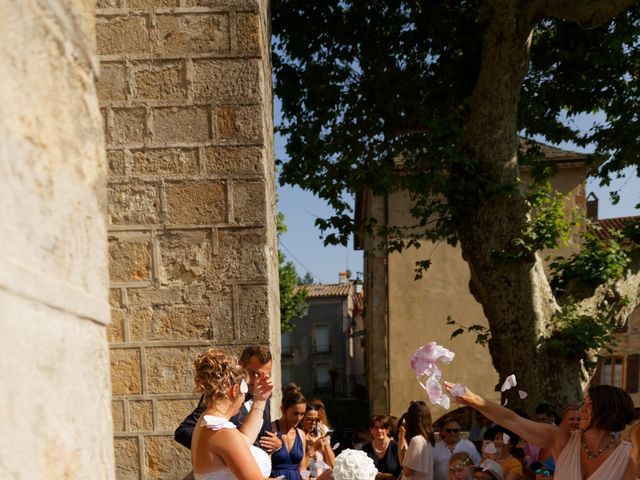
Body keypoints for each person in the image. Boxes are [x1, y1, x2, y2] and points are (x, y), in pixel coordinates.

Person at [445, 382, 637, 480]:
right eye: (583, 404)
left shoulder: (628, 455)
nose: (582, 410)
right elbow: (513, 420)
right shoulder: (561, 439)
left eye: (590, 405)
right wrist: (475, 400)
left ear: (609, 409)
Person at [175, 345, 282, 455]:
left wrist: (277, 445)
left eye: (265, 375)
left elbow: (261, 438)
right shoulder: (222, 396)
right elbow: (183, 431)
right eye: (254, 373)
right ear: (241, 365)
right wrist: (219, 451)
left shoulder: (263, 399)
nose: (257, 380)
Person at [190, 349, 272, 480]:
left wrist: (260, 399)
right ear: (234, 390)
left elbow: (245, 439)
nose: (244, 397)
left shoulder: (208, 422)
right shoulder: (222, 431)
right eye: (243, 391)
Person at [271, 383, 308, 480]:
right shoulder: (271, 429)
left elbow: (302, 469)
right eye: (295, 413)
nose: (299, 418)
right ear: (283, 410)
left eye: (302, 414)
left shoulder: (301, 434)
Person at [398, 400, 435, 480]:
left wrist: (401, 438)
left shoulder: (417, 441)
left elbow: (406, 472)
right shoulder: (427, 439)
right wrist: (402, 438)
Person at [362, 414, 402, 480]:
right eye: (376, 428)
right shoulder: (365, 449)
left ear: (388, 430)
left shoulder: (396, 447)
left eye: (382, 427)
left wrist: (385, 476)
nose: (379, 430)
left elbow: (403, 472)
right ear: (371, 430)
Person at [303, 403, 336, 476]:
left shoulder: (319, 434)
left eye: (316, 420)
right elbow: (300, 468)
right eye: (309, 419)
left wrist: (325, 439)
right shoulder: (298, 436)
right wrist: (313, 448)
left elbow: (332, 464)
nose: (313, 423)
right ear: (302, 418)